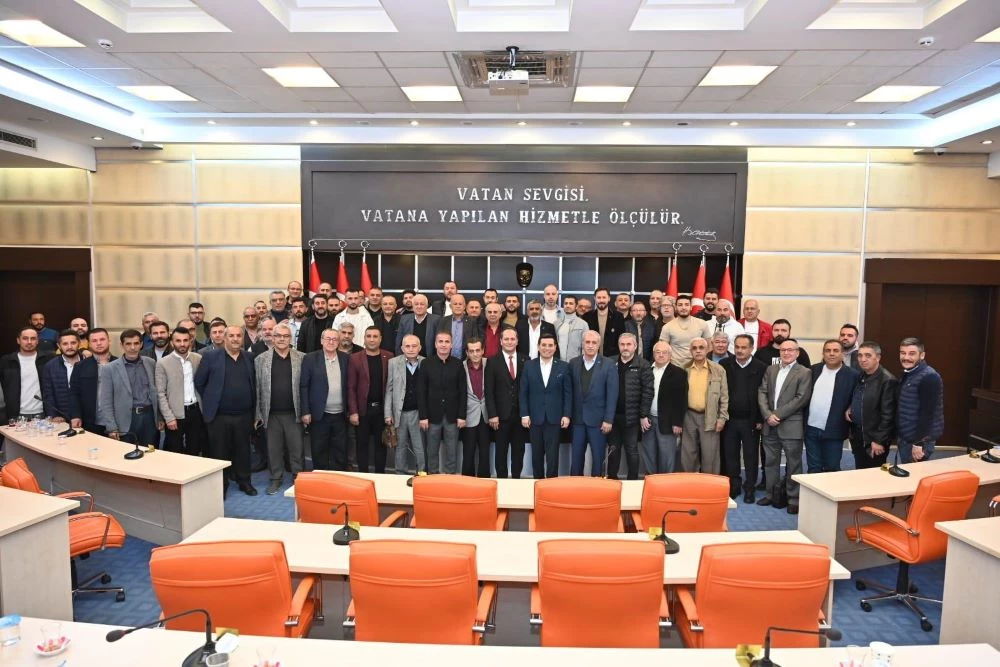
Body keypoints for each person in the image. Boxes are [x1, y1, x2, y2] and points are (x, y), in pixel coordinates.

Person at [195, 326, 257, 495]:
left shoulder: (249, 358)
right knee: (219, 452)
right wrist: (213, 399)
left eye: (239, 336)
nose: (235, 339)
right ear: (224, 338)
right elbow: (199, 382)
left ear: (243, 338)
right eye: (231, 336)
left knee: (243, 450)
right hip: (219, 416)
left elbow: (254, 384)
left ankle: (245, 482)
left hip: (244, 415)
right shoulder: (210, 357)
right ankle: (221, 485)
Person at [757, 339, 812, 514]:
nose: (786, 353)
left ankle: (793, 499)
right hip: (770, 425)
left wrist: (777, 415)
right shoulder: (771, 369)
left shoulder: (804, 372)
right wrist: (767, 415)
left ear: (797, 353)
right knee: (770, 463)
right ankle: (771, 495)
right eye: (783, 350)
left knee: (794, 464)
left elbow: (801, 399)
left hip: (791, 426)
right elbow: (762, 392)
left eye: (790, 350)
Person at [254, 323, 305, 494]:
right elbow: (257, 388)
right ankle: (276, 479)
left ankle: (298, 478)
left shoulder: (302, 358)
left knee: (297, 449)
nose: (282, 339)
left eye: (285, 336)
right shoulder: (261, 360)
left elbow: (306, 387)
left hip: (294, 413)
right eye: (278, 336)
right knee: (273, 450)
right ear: (272, 338)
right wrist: (258, 414)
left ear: (290, 339)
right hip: (271, 414)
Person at [720, 334, 767, 501]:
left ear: (751, 348)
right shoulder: (725, 364)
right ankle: (734, 485)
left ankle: (750, 488)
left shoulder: (761, 367)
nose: (739, 350)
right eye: (737, 347)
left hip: (751, 421)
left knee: (750, 456)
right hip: (730, 420)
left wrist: (760, 419)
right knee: (730, 455)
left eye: (744, 347)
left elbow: (765, 394)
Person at [520, 333, 571, 479]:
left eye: (550, 345)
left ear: (555, 348)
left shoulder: (564, 367)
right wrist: (524, 414)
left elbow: (568, 393)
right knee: (536, 455)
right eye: (543, 345)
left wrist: (566, 415)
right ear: (538, 347)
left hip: (555, 418)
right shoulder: (529, 366)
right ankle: (537, 482)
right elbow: (523, 391)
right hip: (534, 418)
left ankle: (551, 485)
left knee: (552, 455)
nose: (547, 348)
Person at [100, 329, 161, 448]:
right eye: (128, 344)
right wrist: (111, 427)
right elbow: (106, 401)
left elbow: (156, 393)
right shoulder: (110, 369)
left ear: (141, 344)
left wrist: (159, 417)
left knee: (151, 453)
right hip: (125, 420)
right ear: (121, 345)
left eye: (136, 343)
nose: (132, 347)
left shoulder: (150, 363)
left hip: (149, 418)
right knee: (126, 454)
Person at [568, 330, 618, 476]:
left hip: (599, 421)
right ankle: (575, 485)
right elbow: (569, 392)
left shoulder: (608, 364)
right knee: (576, 460)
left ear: (599, 345)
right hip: (578, 420)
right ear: (582, 344)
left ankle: (597, 487)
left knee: (598, 459)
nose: (590, 345)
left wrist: (608, 420)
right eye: (587, 342)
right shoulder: (573, 363)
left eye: (594, 342)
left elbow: (612, 394)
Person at [804, 340, 858, 473]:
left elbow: (857, 397)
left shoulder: (852, 375)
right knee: (813, 468)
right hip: (811, 428)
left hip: (835, 429)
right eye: (828, 351)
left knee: (832, 468)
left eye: (835, 351)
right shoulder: (813, 370)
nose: (831, 354)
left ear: (843, 354)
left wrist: (851, 407)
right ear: (823, 354)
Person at [605, 333, 653, 480]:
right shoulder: (609, 362)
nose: (625, 348)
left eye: (628, 344)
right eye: (622, 344)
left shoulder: (643, 365)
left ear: (635, 346)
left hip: (631, 417)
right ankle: (612, 480)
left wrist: (643, 414)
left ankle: (632, 482)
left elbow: (648, 392)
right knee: (613, 450)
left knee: (632, 450)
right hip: (612, 417)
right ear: (618, 346)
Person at [300, 328, 350, 471]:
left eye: (335, 339)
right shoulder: (310, 358)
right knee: (319, 450)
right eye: (328, 338)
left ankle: (338, 477)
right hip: (319, 415)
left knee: (340, 451)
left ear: (338, 342)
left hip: (341, 415)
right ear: (321, 340)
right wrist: (305, 411)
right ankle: (321, 477)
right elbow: (304, 386)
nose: (331, 342)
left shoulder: (345, 358)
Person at [418, 331, 466, 474]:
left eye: (447, 342)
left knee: (452, 451)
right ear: (435, 344)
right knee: (432, 451)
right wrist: (423, 416)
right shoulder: (426, 363)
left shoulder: (458, 364)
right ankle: (433, 477)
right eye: (440, 341)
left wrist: (462, 415)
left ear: (451, 345)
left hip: (452, 416)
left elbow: (463, 392)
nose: (443, 345)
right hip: (432, 417)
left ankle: (449, 478)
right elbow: (421, 391)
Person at [348, 326, 393, 474]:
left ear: (380, 339)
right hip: (363, 410)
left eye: (375, 336)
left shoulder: (389, 357)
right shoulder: (355, 358)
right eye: (369, 336)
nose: (372, 339)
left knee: (381, 445)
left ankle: (380, 476)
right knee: (362, 445)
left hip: (382, 410)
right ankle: (363, 475)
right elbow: (351, 387)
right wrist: (353, 411)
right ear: (364, 339)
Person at [680, 337, 728, 475]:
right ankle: (689, 483)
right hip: (688, 416)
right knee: (688, 455)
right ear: (690, 351)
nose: (698, 351)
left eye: (701, 347)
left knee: (710, 455)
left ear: (707, 350)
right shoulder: (684, 369)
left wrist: (722, 418)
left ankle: (710, 485)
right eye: (694, 348)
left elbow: (724, 397)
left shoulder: (718, 370)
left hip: (710, 417)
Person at [156, 327, 206, 457]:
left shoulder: (198, 358)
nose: (182, 344)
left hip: (195, 411)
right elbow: (160, 393)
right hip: (175, 413)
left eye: (185, 340)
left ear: (191, 341)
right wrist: (169, 417)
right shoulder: (163, 363)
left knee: (194, 448)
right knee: (175, 451)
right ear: (172, 342)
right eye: (178, 341)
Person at [846, 342, 897, 470]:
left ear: (878, 357)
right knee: (860, 470)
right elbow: (861, 397)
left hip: (874, 439)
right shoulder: (862, 375)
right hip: (859, 435)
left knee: (873, 475)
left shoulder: (887, 380)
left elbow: (888, 415)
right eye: (860, 355)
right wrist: (851, 407)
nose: (863, 359)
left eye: (868, 355)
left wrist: (879, 441)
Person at [485, 328, 527, 479]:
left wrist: (527, 413)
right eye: (506, 339)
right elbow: (489, 390)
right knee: (501, 451)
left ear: (517, 341)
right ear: (501, 341)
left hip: (520, 416)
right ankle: (502, 481)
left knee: (519, 451)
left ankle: (516, 480)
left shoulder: (525, 360)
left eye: (512, 339)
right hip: (500, 417)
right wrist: (492, 414)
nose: (509, 342)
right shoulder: (492, 361)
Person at [896, 337, 943, 463]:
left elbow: (928, 413)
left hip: (918, 441)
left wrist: (918, 444)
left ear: (922, 355)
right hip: (906, 436)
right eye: (903, 353)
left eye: (912, 353)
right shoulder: (909, 373)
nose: (906, 357)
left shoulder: (929, 377)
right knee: (907, 470)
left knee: (914, 474)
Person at [643, 342, 687, 475]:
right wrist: (642, 416)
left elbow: (681, 400)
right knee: (649, 455)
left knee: (667, 457)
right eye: (658, 352)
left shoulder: (679, 373)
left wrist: (677, 422)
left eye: (664, 352)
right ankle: (651, 481)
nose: (661, 355)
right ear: (653, 354)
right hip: (648, 421)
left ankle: (665, 484)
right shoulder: (646, 370)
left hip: (668, 422)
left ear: (670, 355)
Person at [385, 334, 425, 474]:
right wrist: (387, 413)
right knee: (400, 446)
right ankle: (400, 473)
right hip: (399, 413)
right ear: (402, 348)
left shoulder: (426, 363)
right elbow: (389, 389)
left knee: (419, 446)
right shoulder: (393, 363)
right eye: (407, 346)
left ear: (420, 347)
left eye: (414, 346)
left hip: (418, 413)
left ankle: (421, 473)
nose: (411, 349)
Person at [69, 328, 115, 435]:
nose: (99, 343)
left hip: (117, 420)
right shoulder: (80, 366)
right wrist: (75, 415)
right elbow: (74, 393)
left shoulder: (120, 364)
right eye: (94, 341)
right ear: (89, 344)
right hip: (90, 422)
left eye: (102, 339)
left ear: (109, 341)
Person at [461, 338, 491, 477]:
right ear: (467, 353)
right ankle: (468, 483)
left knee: (485, 452)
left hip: (486, 415)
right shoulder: (461, 367)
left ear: (483, 350)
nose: (475, 354)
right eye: (471, 351)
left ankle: (485, 483)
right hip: (468, 415)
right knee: (468, 452)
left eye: (478, 350)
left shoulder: (490, 364)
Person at [660, 294, 712, 368]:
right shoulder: (667, 327)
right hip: (675, 367)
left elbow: (709, 347)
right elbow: (663, 349)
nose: (683, 307)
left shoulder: (702, 323)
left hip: (697, 367)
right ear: (676, 307)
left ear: (691, 307)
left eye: (686, 305)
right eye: (680, 305)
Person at [41, 329, 81, 422]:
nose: (69, 347)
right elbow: (48, 394)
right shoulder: (50, 366)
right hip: (62, 418)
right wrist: (53, 415)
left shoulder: (88, 362)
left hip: (87, 416)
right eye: (65, 344)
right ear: (59, 346)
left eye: (73, 343)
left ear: (79, 343)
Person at [583, 287, 626, 358]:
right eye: (599, 297)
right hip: (591, 356)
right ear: (594, 298)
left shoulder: (618, 316)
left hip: (612, 357)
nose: (601, 300)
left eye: (604, 297)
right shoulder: (587, 316)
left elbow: (621, 338)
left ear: (609, 298)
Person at [437, 293, 474, 359]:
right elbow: (438, 340)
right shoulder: (443, 321)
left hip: (465, 360)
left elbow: (474, 341)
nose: (458, 306)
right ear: (450, 306)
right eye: (455, 304)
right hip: (446, 359)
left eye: (460, 304)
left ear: (464, 306)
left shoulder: (472, 322)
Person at [556, 295, 589, 361]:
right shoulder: (556, 323)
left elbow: (586, 346)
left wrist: (583, 362)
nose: (568, 306)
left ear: (576, 306)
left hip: (575, 362)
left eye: (571, 303)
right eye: (566, 303)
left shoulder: (583, 324)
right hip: (559, 362)